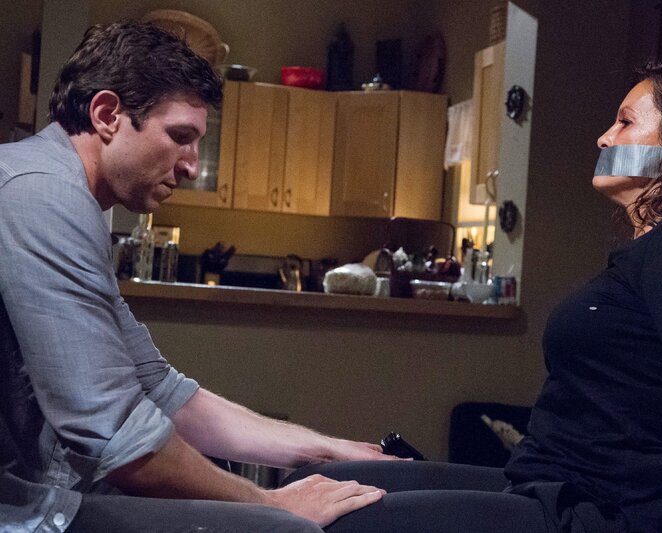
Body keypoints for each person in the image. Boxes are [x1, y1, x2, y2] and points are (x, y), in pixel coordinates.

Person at [284, 59, 662, 533]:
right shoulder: (660, 249)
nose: (604, 138)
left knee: (325, 519)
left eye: (625, 123)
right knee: (313, 485)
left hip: (590, 512)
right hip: (540, 486)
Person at [0, 21, 398, 533]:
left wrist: (326, 448)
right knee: (287, 528)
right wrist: (272, 504)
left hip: (45, 492)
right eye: (179, 137)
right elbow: (116, 435)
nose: (191, 166)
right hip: (18, 510)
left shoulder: (59, 192)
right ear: (106, 115)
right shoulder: (43, 196)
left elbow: (158, 388)